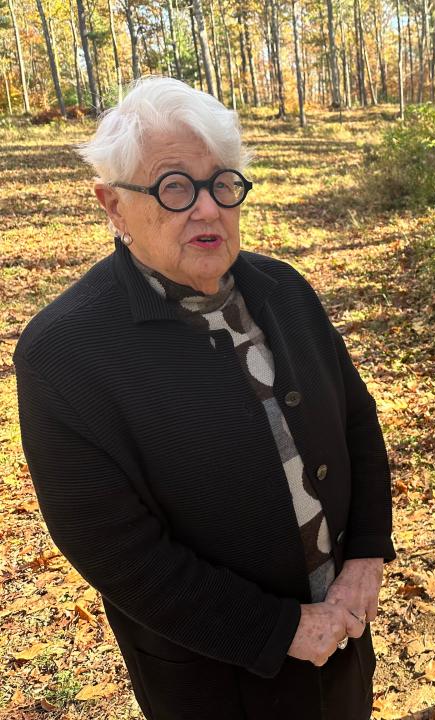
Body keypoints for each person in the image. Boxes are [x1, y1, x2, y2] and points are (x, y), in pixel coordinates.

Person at [14, 77, 393, 720]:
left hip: (343, 645)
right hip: (217, 684)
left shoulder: (284, 291)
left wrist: (364, 554)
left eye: (222, 182)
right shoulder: (64, 354)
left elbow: (356, 420)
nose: (209, 209)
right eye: (174, 187)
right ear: (113, 206)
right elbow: (113, 547)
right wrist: (279, 630)